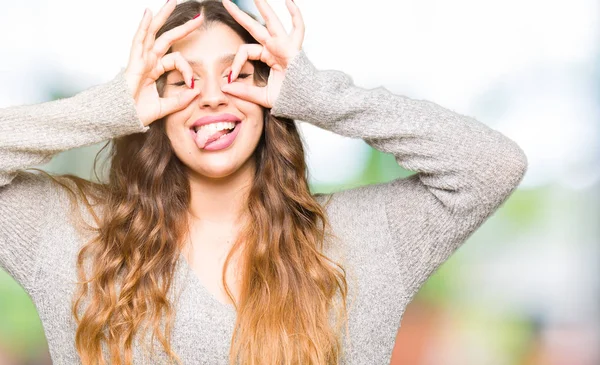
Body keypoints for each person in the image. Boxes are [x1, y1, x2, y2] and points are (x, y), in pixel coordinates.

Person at [0, 0, 528, 364]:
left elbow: (490, 164)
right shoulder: (75, 235)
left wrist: (320, 95)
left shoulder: (362, 240)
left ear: (275, 93)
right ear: (149, 105)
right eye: (179, 80)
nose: (209, 97)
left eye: (237, 73)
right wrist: (108, 108)